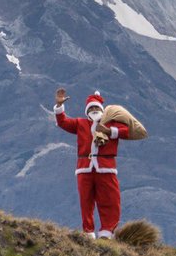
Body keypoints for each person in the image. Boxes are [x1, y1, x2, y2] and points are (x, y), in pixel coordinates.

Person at [53, 87, 129, 239]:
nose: (94, 109)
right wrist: (59, 106)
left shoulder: (111, 124)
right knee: (85, 201)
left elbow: (127, 131)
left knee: (110, 199)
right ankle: (88, 232)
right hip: (84, 168)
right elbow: (63, 122)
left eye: (96, 107)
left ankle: (107, 231)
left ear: (101, 110)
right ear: (87, 111)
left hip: (106, 168)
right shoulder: (80, 123)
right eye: (91, 108)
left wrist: (109, 131)